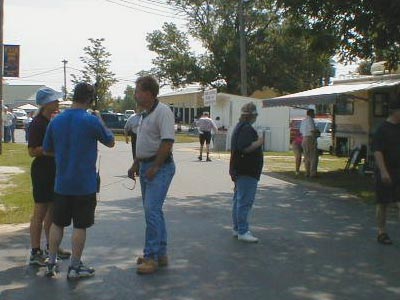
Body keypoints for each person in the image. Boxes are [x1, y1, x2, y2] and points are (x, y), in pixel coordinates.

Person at [43, 82, 115, 279]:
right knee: (80, 226)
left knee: (57, 223)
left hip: (62, 182)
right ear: (90, 99)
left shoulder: (56, 121)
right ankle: (74, 266)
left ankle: (51, 262)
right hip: (84, 184)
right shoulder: (91, 120)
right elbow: (110, 141)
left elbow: (47, 148)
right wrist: (100, 119)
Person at [128, 76, 175, 275]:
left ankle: (151, 257)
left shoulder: (163, 112)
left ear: (149, 93)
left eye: (138, 91)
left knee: (151, 211)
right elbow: (145, 143)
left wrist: (155, 166)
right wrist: (135, 164)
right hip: (147, 165)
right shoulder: (144, 114)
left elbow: (167, 141)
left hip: (160, 167)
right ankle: (160, 253)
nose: (135, 94)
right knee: (154, 212)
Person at [28, 87, 70, 266]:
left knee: (52, 212)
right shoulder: (37, 123)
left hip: (53, 171)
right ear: (46, 104)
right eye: (55, 100)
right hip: (42, 172)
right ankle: (35, 251)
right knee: (40, 212)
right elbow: (32, 151)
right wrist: (54, 152)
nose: (58, 102)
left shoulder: (50, 121)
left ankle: (51, 246)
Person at [229, 102, 264, 243]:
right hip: (247, 170)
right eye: (255, 115)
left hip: (239, 169)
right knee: (244, 202)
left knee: (238, 200)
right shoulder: (246, 129)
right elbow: (245, 148)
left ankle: (238, 228)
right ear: (251, 116)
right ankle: (242, 230)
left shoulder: (239, 127)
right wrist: (259, 142)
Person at [372, 101, 400, 245]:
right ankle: (382, 232)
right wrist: (383, 171)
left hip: (398, 171)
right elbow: (378, 152)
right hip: (385, 171)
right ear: (396, 111)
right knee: (382, 203)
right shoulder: (382, 129)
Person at [300, 109, 319, 177]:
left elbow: (301, 131)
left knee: (306, 156)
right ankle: (313, 173)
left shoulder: (303, 120)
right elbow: (312, 130)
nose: (314, 114)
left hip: (304, 139)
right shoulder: (310, 120)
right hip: (310, 138)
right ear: (311, 113)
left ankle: (307, 172)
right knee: (314, 156)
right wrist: (316, 135)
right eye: (314, 113)